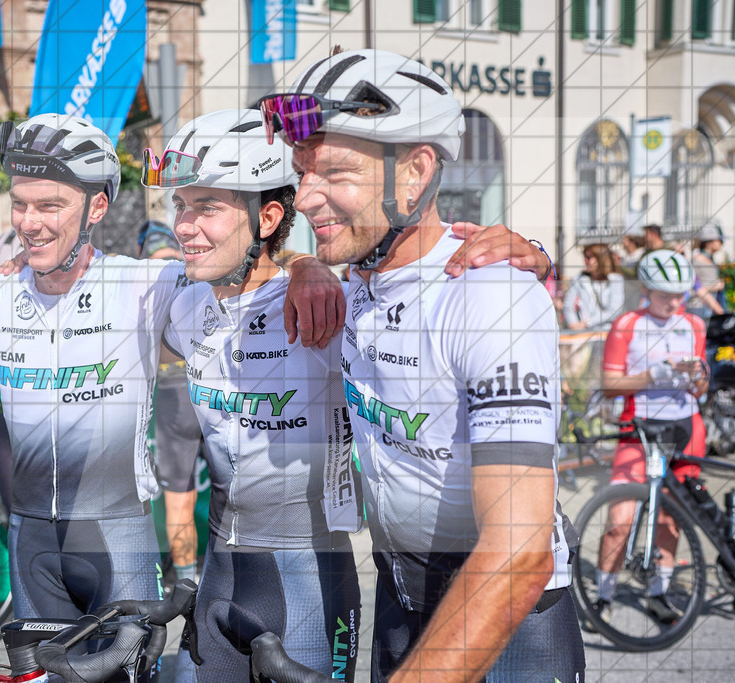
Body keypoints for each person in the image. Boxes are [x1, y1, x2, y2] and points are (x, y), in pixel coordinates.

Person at [0, 114, 343, 657]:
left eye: (49, 206)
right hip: (31, 549)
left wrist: (307, 266)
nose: (29, 222)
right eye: (20, 204)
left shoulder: (144, 286)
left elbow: (247, 269)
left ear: (96, 207)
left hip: (119, 544)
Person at [260, 48, 584, 680]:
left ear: (415, 173)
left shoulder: (491, 296)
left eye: (334, 173)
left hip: (507, 618)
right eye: (301, 174)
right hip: (400, 592)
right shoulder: (354, 283)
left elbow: (520, 550)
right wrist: (303, 265)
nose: (304, 198)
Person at [145, 109, 363, 680]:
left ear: (267, 217)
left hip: (310, 574)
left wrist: (312, 267)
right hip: (222, 568)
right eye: (182, 207)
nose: (185, 226)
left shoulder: (323, 309)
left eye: (208, 208)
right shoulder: (185, 300)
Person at [596, 249, 709, 624]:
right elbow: (610, 385)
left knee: (669, 522)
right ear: (646, 289)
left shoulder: (693, 324)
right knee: (620, 520)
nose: (674, 303)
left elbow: (700, 388)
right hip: (639, 430)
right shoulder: (627, 324)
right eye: (665, 295)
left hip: (685, 428)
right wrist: (654, 375)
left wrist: (698, 379)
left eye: (680, 295)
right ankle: (603, 594)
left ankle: (659, 592)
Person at [137, 218, 203, 587]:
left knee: (180, 500)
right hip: (211, 381)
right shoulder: (195, 265)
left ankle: (188, 587)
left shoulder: (145, 275)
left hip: (175, 388)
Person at [563, 243, 626, 331]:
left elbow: (614, 311)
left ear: (601, 259)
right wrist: (574, 325)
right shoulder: (578, 279)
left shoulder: (616, 280)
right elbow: (568, 306)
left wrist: (588, 323)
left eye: (589, 257)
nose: (585, 260)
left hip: (608, 332)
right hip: (583, 335)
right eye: (585, 257)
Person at [686, 223, 726, 321]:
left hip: (710, 308)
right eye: (718, 240)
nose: (721, 243)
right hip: (698, 308)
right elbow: (690, 289)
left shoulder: (711, 260)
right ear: (708, 243)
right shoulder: (695, 261)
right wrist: (713, 287)